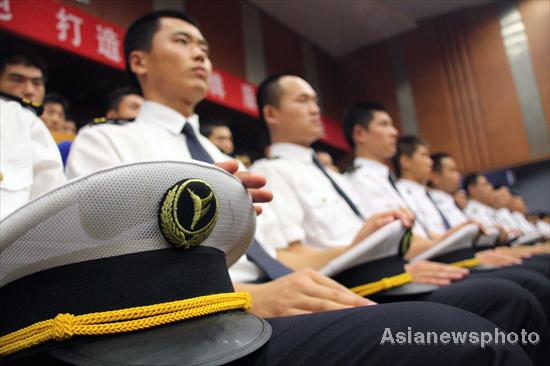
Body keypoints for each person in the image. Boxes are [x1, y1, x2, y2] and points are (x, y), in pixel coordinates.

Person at [63, 10, 538, 365]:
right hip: (201, 322)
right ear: (138, 61)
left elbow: (278, 257)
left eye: (205, 46)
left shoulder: (213, 151)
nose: (201, 54)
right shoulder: (106, 140)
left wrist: (357, 248)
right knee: (470, 338)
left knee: (506, 300)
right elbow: (111, 274)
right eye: (184, 41)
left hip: (267, 298)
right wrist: (245, 298)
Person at [249, 74, 549, 364]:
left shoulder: (332, 174)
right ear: (272, 113)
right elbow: (286, 257)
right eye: (302, 101)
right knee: (507, 306)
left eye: (315, 100)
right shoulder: (271, 171)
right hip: (356, 286)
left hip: (390, 274)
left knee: (517, 295)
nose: (315, 109)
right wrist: (370, 253)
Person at [0, 93, 66, 220]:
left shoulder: (66, 144)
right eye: (50, 112)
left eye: (60, 115)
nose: (55, 119)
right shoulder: (11, 131)